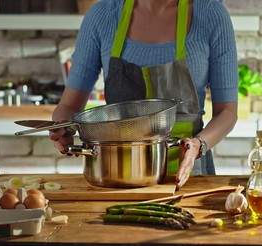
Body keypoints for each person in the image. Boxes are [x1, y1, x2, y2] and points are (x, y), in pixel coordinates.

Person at [49, 0, 238, 190]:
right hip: (117, 175)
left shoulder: (212, 15)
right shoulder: (102, 15)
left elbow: (227, 112)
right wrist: (63, 127)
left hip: (188, 175)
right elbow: (69, 106)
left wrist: (198, 145)